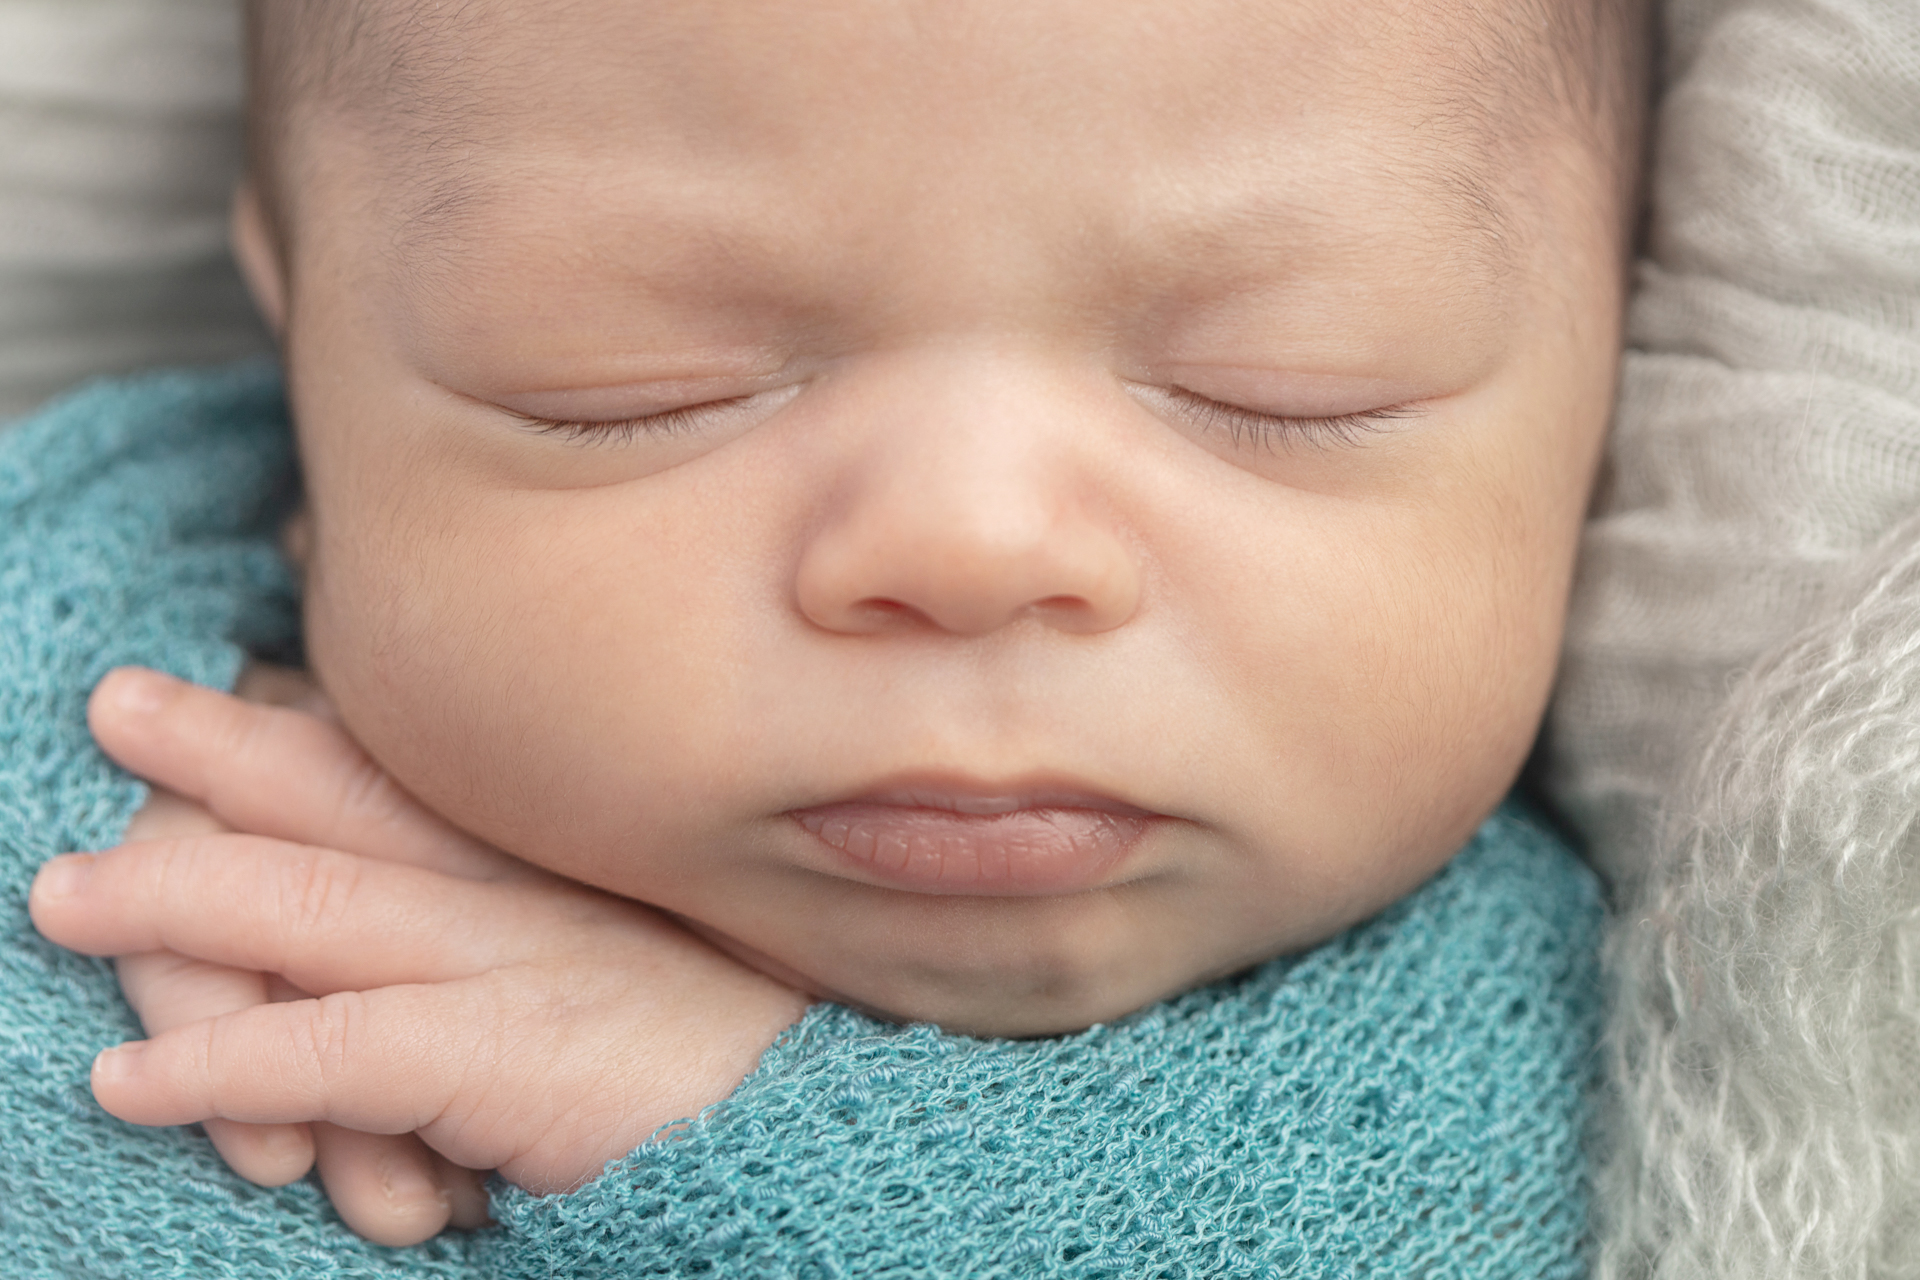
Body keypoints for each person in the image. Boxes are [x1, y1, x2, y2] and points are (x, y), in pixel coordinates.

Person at [7, 0, 1650, 1272]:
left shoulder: (1512, 1028)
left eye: (1287, 383)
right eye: (630, 381)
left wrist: (731, 1115)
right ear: (304, 319)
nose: (972, 547)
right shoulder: (95, 645)